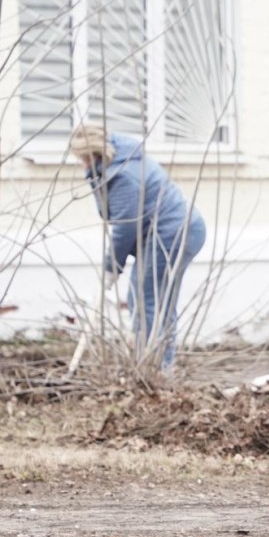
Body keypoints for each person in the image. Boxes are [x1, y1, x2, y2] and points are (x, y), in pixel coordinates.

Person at [70, 124, 206, 370]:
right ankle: (159, 364)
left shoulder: (123, 175)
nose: (81, 164)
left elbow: (125, 228)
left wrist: (112, 267)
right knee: (155, 299)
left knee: (146, 298)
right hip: (179, 230)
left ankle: (155, 369)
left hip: (172, 234)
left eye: (82, 159)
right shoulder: (119, 160)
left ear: (94, 154)